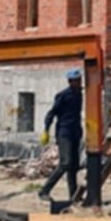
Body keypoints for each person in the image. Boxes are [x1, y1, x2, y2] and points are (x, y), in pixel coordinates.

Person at [37, 69, 84, 204]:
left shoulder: (79, 94)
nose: (79, 83)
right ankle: (44, 191)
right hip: (64, 133)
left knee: (74, 166)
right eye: (76, 81)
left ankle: (73, 196)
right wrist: (46, 129)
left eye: (80, 80)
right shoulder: (63, 95)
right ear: (70, 82)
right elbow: (51, 113)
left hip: (75, 132)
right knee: (65, 163)